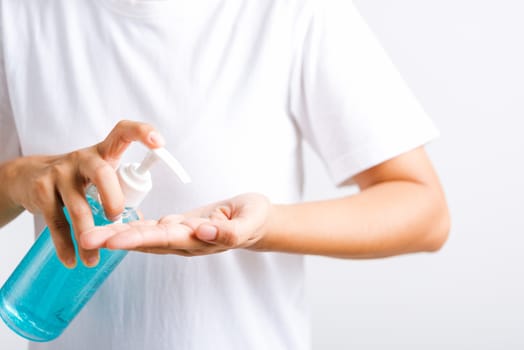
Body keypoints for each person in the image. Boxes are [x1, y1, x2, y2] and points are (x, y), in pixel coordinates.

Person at [0, 0, 450, 349]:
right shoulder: (19, 17)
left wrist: (265, 227)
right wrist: (16, 180)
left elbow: (424, 211)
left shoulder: (291, 13)